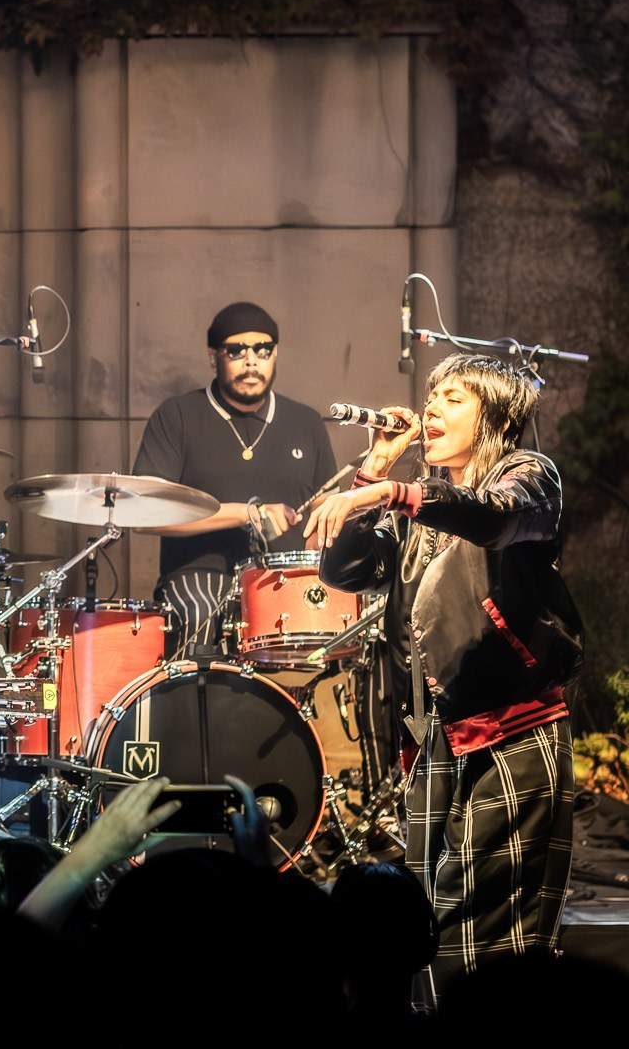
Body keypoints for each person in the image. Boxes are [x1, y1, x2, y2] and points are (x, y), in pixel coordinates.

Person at [307, 353, 582, 1005]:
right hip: (442, 742)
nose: (430, 408)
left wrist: (394, 491)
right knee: (432, 930)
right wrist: (378, 467)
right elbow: (342, 570)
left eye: (452, 397)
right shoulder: (423, 513)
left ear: (494, 413)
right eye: (429, 396)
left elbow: (490, 514)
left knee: (490, 940)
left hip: (513, 733)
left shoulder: (528, 476)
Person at [133, 301, 339, 654]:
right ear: (214, 356)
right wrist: (247, 513)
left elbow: (327, 513)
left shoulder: (306, 422)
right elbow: (144, 514)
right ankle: (188, 705)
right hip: (202, 575)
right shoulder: (178, 416)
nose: (251, 361)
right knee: (199, 612)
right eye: (236, 350)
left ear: (275, 354)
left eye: (262, 349)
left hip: (283, 578)